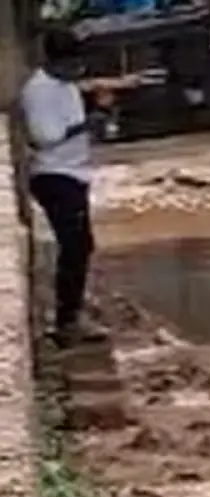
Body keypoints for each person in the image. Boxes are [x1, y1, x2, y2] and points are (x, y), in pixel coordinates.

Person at [20, 29, 105, 346]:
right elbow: (44, 137)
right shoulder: (39, 91)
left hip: (74, 173)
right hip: (54, 175)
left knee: (80, 245)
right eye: (73, 64)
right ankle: (67, 322)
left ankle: (72, 313)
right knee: (76, 245)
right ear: (56, 61)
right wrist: (84, 126)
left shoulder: (65, 85)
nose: (78, 70)